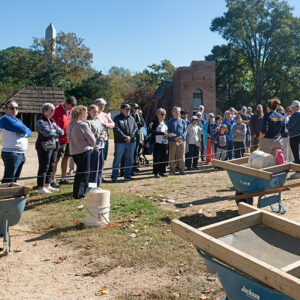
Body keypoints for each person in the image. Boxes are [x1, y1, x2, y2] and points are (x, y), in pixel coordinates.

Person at [67, 105, 96, 199]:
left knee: (79, 173)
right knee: (84, 173)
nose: (87, 115)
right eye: (86, 113)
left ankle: (78, 192)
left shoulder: (70, 124)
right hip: (83, 150)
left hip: (74, 151)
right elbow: (92, 138)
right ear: (81, 114)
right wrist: (92, 146)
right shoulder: (82, 124)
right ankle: (80, 194)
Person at [0, 100, 32, 183]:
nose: (14, 110)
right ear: (6, 109)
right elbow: (21, 129)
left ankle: (11, 194)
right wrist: (25, 131)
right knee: (8, 179)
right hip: (11, 153)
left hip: (20, 153)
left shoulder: (18, 120)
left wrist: (25, 134)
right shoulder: (5, 119)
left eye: (16, 108)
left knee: (14, 179)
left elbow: (29, 131)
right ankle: (5, 195)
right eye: (11, 108)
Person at [35, 103, 64, 194]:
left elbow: (62, 131)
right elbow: (47, 133)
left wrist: (55, 132)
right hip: (44, 146)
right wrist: (55, 132)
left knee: (52, 165)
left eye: (53, 110)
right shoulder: (40, 121)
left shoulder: (52, 121)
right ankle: (41, 187)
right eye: (51, 110)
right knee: (44, 166)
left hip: (55, 145)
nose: (53, 112)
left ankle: (48, 184)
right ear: (45, 110)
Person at [51, 96, 77, 188]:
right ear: (65, 103)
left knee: (66, 158)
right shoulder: (57, 110)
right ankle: (52, 179)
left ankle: (63, 178)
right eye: (70, 106)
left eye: (72, 107)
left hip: (68, 139)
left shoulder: (72, 111)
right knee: (56, 159)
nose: (71, 108)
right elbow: (51, 123)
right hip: (59, 139)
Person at [111, 104, 138, 182]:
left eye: (129, 109)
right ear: (121, 110)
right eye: (126, 109)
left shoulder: (132, 119)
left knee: (130, 159)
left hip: (131, 142)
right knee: (117, 159)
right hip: (120, 142)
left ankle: (127, 176)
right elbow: (116, 130)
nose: (128, 111)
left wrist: (130, 137)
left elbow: (135, 129)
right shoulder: (117, 119)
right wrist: (125, 137)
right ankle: (114, 177)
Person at [85, 104, 106, 189]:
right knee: (93, 168)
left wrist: (104, 133)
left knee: (100, 167)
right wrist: (99, 137)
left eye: (97, 112)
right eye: (93, 111)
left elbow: (103, 130)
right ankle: (91, 186)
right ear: (89, 112)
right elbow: (88, 135)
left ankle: (98, 185)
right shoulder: (87, 122)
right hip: (93, 147)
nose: (95, 113)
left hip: (101, 146)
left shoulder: (98, 121)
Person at [151, 108, 171, 178]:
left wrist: (168, 134)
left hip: (164, 142)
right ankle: (156, 172)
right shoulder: (155, 123)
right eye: (162, 114)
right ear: (158, 115)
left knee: (164, 157)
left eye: (164, 114)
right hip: (157, 143)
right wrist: (162, 133)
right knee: (157, 158)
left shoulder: (164, 123)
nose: (163, 115)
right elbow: (153, 132)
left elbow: (165, 132)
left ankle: (163, 171)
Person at [167, 106, 187, 175]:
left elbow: (185, 131)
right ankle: (172, 170)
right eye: (175, 111)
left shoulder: (183, 121)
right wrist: (174, 137)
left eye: (178, 111)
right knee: (172, 156)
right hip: (172, 141)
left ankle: (181, 169)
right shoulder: (169, 121)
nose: (177, 112)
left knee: (181, 155)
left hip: (181, 141)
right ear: (172, 112)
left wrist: (180, 137)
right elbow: (168, 131)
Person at [286, 100, 300, 179]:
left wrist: (287, 123)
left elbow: (289, 125)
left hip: (295, 136)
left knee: (296, 154)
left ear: (297, 106)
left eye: (293, 107)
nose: (292, 109)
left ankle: (298, 172)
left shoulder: (296, 114)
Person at [131, 103, 145, 171]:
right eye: (134, 108)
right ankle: (130, 166)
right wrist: (137, 124)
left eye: (136, 108)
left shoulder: (139, 116)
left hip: (138, 135)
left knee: (136, 151)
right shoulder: (130, 116)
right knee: (131, 152)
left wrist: (136, 124)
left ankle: (135, 166)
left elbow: (142, 123)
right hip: (132, 135)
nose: (135, 109)